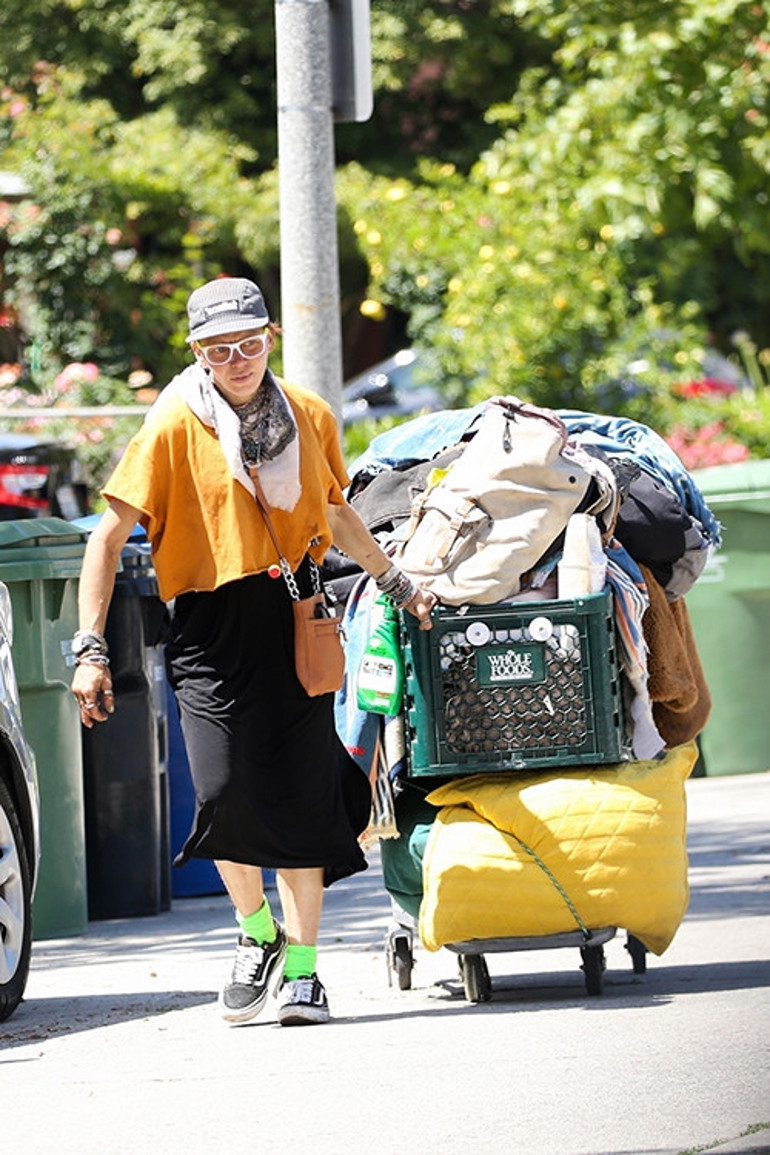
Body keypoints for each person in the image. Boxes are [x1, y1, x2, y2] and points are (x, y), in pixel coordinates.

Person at [71, 276, 435, 1027]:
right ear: (196, 351)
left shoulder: (309, 414)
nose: (236, 360)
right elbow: (106, 539)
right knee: (222, 791)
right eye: (218, 349)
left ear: (271, 336)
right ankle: (257, 931)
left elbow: (336, 512)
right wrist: (91, 648)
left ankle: (303, 971)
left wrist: (397, 582)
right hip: (207, 628)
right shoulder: (174, 424)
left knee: (302, 796)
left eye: (248, 343)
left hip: (295, 616)